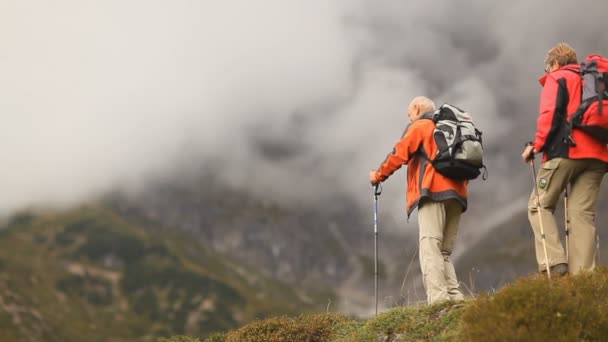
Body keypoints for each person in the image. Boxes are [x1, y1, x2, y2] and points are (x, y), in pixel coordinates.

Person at [369, 96, 467, 304]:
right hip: (457, 195)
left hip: (432, 192)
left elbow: (399, 154)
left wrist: (378, 175)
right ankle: (456, 299)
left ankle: (439, 300)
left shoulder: (421, 126)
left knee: (430, 247)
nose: (409, 118)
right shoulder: (451, 128)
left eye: (409, 114)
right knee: (445, 252)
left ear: (416, 108)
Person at [522, 42, 608, 276]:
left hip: (566, 152)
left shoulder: (558, 77)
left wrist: (536, 147)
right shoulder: (594, 80)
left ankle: (554, 263)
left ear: (556, 63)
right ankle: (583, 278)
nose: (547, 71)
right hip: (599, 156)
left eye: (547, 67)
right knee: (582, 214)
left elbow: (549, 116)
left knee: (538, 205)